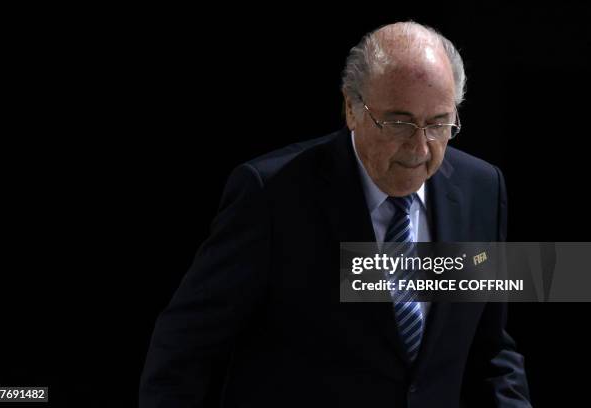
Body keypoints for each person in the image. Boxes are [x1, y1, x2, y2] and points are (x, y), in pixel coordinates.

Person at [140, 21, 532, 407]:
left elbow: (491, 350)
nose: (421, 148)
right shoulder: (272, 196)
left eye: (438, 123)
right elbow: (183, 350)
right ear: (351, 108)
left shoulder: (482, 189)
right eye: (399, 122)